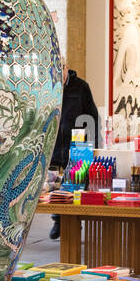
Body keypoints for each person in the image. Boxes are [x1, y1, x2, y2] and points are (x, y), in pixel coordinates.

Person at [48, 59, 99, 239]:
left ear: (66, 68)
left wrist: (95, 146)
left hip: (77, 146)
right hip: (54, 147)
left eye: (58, 69)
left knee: (76, 185)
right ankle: (58, 219)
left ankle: (72, 222)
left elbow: (93, 117)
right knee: (56, 186)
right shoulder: (47, 87)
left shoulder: (81, 87)